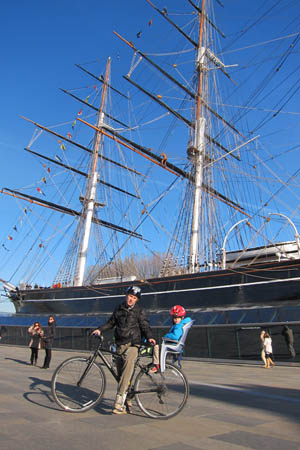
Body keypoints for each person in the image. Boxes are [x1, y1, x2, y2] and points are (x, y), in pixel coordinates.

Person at [92, 286, 156, 415]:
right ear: (126, 296)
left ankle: (119, 401)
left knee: (127, 365)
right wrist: (100, 329)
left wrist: (150, 337)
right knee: (121, 375)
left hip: (133, 344)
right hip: (120, 344)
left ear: (137, 300)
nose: (131, 299)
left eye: (134, 298)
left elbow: (145, 326)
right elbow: (111, 323)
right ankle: (128, 395)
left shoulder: (139, 311)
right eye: (130, 296)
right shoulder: (119, 308)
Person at [151, 305, 192, 372]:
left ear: (182, 317)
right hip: (175, 344)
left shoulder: (179, 326)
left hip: (173, 344)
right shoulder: (182, 324)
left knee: (156, 347)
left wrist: (166, 336)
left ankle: (157, 365)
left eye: (178, 318)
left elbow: (175, 336)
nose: (176, 320)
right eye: (174, 318)